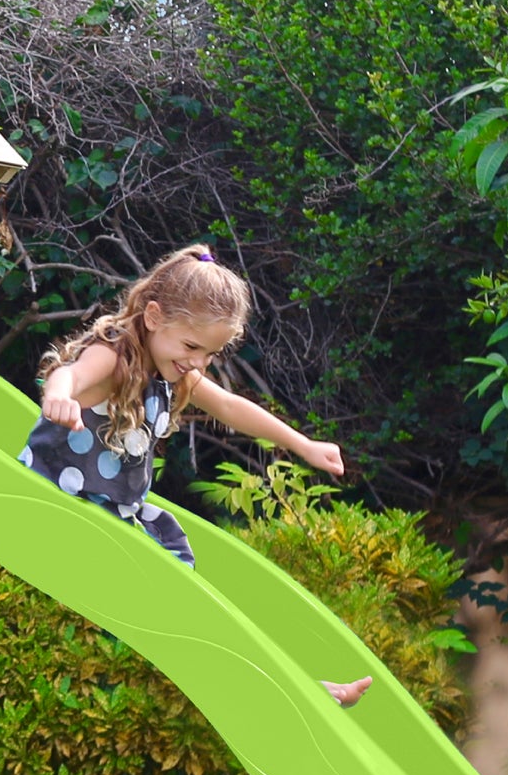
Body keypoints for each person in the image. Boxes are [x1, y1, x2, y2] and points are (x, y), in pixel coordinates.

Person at [27, 245, 372, 707]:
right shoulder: (112, 355)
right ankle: (298, 692)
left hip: (116, 523)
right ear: (152, 316)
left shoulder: (170, 374)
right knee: (189, 618)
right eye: (191, 347)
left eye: (210, 354)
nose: (197, 362)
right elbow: (69, 374)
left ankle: (299, 688)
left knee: (198, 613)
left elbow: (230, 406)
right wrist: (60, 396)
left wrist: (302, 444)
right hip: (64, 512)